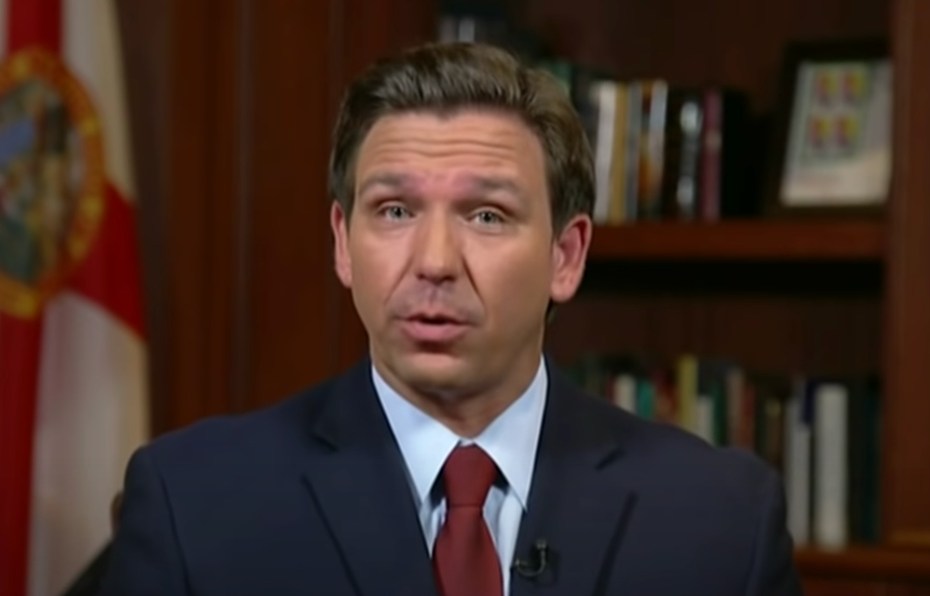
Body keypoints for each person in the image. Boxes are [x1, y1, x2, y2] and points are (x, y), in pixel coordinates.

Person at [100, 41, 802, 595]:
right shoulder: (192, 503)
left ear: (565, 256)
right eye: (395, 211)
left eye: (487, 215)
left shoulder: (721, 520)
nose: (434, 261)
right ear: (343, 243)